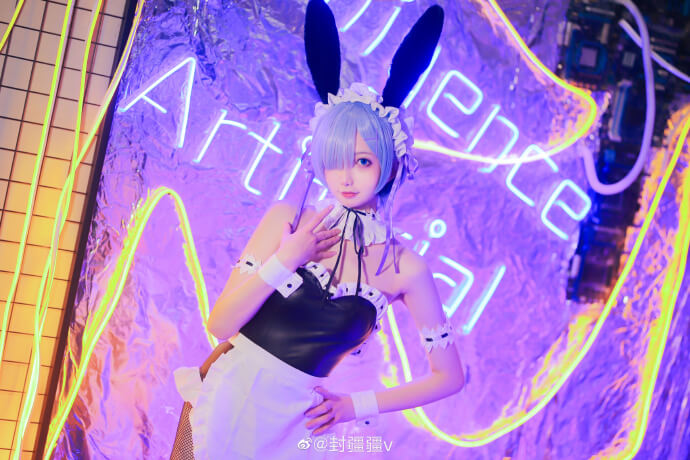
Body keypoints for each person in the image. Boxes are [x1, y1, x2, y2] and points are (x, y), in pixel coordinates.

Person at [170, 2, 463, 458]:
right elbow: (221, 324)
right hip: (226, 395)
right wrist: (288, 256)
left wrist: (353, 406)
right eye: (334, 160)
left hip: (301, 425)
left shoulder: (404, 267)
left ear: (389, 164)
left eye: (362, 161)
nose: (345, 176)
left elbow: (450, 377)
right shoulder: (288, 219)